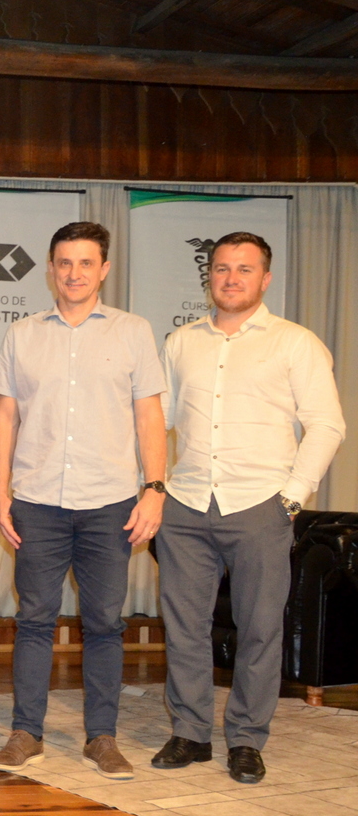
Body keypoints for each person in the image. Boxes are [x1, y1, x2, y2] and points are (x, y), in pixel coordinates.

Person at [152, 232, 344, 785]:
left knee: (259, 628)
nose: (231, 278)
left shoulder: (295, 343)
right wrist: (155, 486)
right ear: (208, 276)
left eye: (244, 269)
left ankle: (245, 738)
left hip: (261, 504)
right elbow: (157, 420)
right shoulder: (181, 342)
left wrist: (293, 495)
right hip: (186, 504)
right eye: (221, 268)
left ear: (266, 278)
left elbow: (327, 425)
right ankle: (190, 732)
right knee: (184, 627)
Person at [0, 221, 167, 781]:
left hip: (110, 502)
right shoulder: (22, 334)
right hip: (37, 500)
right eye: (64, 262)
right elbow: (6, 416)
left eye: (86, 263)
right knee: (33, 619)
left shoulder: (133, 332)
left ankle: (102, 738)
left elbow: (149, 416)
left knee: (105, 623)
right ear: (50, 268)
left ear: (103, 269)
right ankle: (26, 733)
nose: (74, 273)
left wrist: (155, 489)